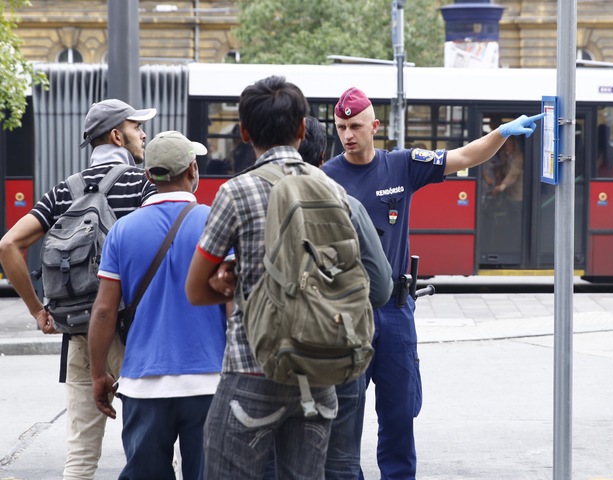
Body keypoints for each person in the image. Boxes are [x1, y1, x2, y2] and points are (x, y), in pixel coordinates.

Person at [322, 87, 543, 480]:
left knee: (399, 413)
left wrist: (502, 133)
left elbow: (465, 156)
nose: (348, 135)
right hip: (347, 314)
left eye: (355, 126)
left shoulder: (402, 165)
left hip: (394, 312)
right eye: (341, 127)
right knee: (343, 420)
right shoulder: (326, 177)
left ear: (375, 126)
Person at [185, 76, 344, 480]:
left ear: (244, 131)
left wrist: (235, 282)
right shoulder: (333, 190)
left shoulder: (237, 191)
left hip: (252, 369)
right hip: (319, 370)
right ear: (303, 129)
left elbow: (195, 290)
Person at [0, 98, 157, 479]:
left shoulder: (62, 191)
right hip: (132, 331)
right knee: (152, 452)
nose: (143, 134)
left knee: (81, 456)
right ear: (118, 135)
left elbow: (7, 246)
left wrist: (39, 310)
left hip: (79, 333)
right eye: (137, 127)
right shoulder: (141, 184)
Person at [88, 130, 229, 479]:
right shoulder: (215, 222)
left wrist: (98, 374)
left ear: (149, 175)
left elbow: (104, 311)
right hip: (209, 382)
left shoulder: (123, 230)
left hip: (143, 385)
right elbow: (233, 304)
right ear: (193, 170)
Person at [261, 116, 393, 480]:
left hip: (278, 353)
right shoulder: (348, 204)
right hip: (339, 348)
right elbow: (381, 289)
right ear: (322, 157)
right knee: (341, 462)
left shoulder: (259, 201)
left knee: (277, 461)